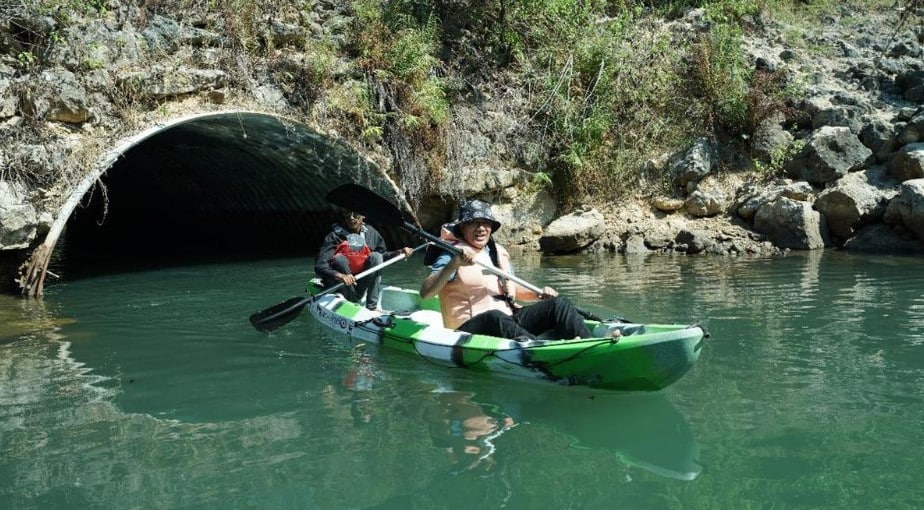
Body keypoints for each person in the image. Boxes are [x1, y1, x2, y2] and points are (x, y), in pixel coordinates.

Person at [420, 199, 614, 341]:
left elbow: (513, 291)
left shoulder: (496, 253)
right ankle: (540, 348)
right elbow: (426, 293)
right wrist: (454, 263)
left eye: (486, 223)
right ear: (462, 228)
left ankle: (589, 342)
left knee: (558, 303)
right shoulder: (451, 253)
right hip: (468, 328)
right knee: (495, 317)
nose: (481, 228)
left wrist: (539, 295)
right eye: (474, 223)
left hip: (508, 321)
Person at [315, 208, 414, 310]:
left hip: (360, 283)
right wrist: (340, 276)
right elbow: (320, 266)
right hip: (339, 284)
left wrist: (398, 253)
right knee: (340, 259)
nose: (351, 217)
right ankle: (351, 301)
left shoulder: (371, 233)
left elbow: (383, 256)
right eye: (347, 213)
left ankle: (372, 306)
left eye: (356, 214)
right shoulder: (334, 236)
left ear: (363, 216)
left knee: (376, 256)